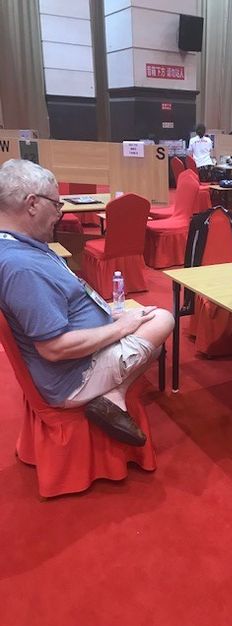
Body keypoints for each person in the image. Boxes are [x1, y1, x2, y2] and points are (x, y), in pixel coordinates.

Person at [0, 159, 174, 447]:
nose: (59, 213)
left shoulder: (22, 247)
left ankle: (114, 395)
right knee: (162, 319)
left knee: (149, 330)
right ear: (32, 204)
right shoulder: (22, 267)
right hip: (71, 377)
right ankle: (109, 395)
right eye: (55, 205)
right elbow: (54, 348)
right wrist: (121, 327)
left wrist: (113, 319)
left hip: (75, 359)